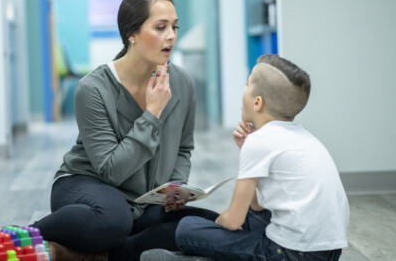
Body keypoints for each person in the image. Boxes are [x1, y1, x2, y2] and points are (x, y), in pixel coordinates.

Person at [31, 0, 218, 261]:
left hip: (143, 202)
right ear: (132, 34)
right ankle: (23, 234)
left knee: (209, 226)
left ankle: (92, 254)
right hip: (89, 187)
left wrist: (176, 188)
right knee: (114, 219)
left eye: (175, 27)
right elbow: (111, 170)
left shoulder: (183, 83)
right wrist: (152, 113)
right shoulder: (92, 88)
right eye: (160, 27)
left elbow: (183, 149)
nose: (171, 36)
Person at [142, 54, 349, 261]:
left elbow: (233, 221)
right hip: (328, 253)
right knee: (249, 216)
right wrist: (246, 149)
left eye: (247, 84)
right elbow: (258, 208)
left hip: (291, 253)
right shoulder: (304, 137)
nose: (243, 88)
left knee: (187, 228)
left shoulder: (260, 142)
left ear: (257, 102)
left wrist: (214, 234)